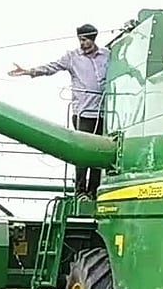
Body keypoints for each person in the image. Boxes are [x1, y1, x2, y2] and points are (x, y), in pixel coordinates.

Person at [9, 23, 109, 198]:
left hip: (102, 112)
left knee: (99, 154)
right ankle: (80, 191)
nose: (82, 43)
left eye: (84, 39)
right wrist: (29, 71)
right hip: (83, 113)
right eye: (80, 40)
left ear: (93, 39)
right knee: (83, 153)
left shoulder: (107, 55)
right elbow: (51, 67)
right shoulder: (72, 57)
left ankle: (94, 191)